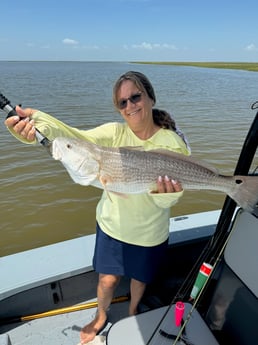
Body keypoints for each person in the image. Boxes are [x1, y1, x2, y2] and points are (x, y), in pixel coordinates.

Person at [5, 71, 191, 344]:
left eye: (135, 97)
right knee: (106, 281)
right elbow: (73, 137)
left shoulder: (172, 143)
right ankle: (101, 315)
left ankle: (131, 311)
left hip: (150, 233)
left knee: (140, 280)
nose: (130, 106)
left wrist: (166, 195)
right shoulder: (113, 134)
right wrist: (36, 124)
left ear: (150, 97)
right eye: (122, 103)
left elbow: (173, 198)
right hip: (112, 227)